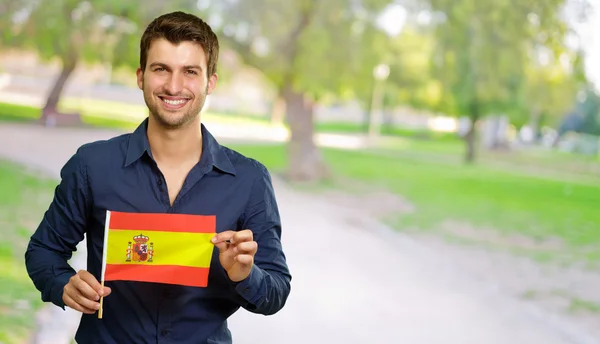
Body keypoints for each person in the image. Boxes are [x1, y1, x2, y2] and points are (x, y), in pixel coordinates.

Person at [25, 11, 292, 344]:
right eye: (161, 69)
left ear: (211, 82)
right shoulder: (92, 165)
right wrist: (63, 283)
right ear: (141, 77)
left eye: (190, 72)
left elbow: (276, 292)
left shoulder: (249, 179)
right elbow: (42, 252)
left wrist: (244, 275)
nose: (173, 86)